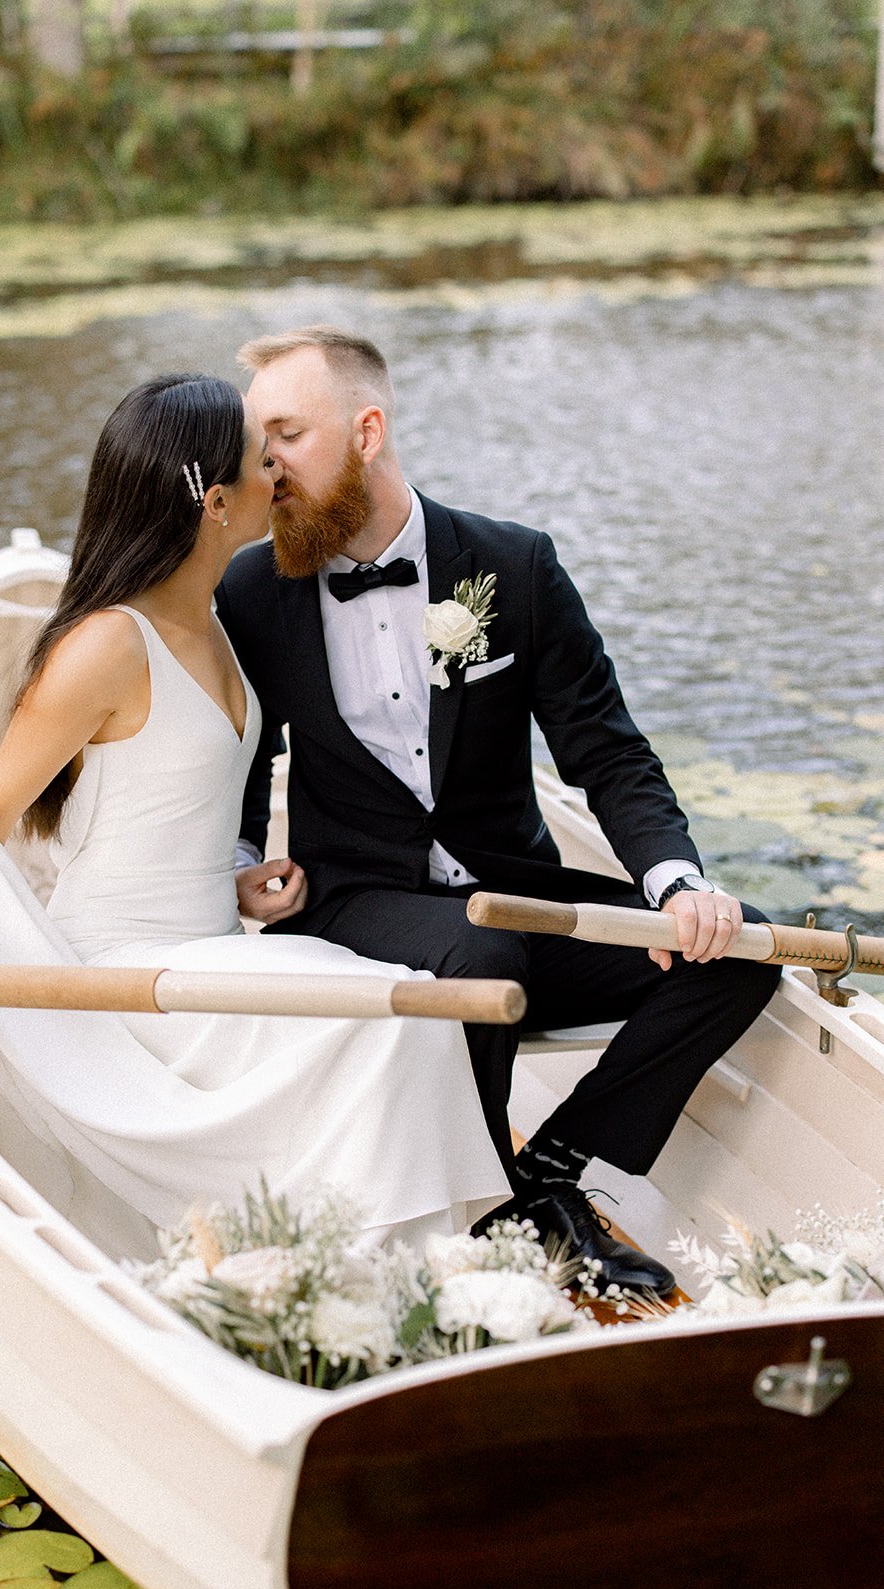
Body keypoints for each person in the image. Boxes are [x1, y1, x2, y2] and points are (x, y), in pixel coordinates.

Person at [0, 373, 509, 1260]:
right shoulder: (105, 644)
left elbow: (171, 810)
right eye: (262, 463)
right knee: (386, 1020)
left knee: (408, 1009)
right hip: (122, 979)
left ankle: (349, 1266)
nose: (279, 476)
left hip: (212, 948)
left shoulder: (211, 627)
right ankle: (348, 1271)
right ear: (216, 503)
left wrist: (237, 879)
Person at [216, 326, 781, 1297]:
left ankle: (546, 1174)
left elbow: (602, 747)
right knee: (483, 950)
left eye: (285, 437)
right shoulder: (251, 590)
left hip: (512, 894)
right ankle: (480, 1211)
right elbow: (241, 754)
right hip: (356, 902)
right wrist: (235, 866)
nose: (266, 467)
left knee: (736, 952)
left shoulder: (510, 568)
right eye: (257, 444)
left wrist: (675, 882)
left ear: (365, 430)